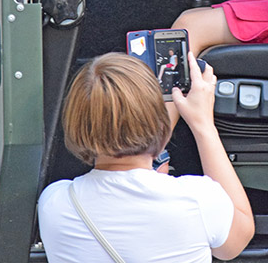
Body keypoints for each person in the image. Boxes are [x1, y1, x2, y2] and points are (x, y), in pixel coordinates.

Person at [38, 52, 255, 262]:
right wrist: (203, 125)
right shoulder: (198, 198)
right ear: (161, 125)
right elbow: (237, 240)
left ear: (76, 126)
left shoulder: (54, 203)